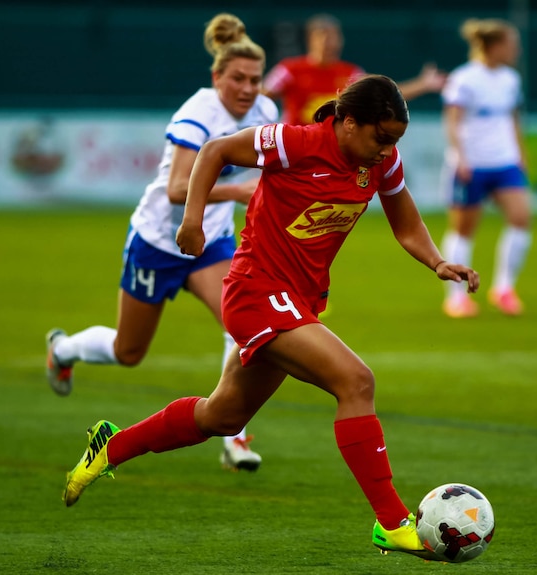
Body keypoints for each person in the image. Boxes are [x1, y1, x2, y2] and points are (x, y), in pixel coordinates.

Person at [59, 74, 479, 559]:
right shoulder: (294, 142)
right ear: (347, 123)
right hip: (256, 291)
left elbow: (407, 223)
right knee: (356, 381)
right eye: (380, 138)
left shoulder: (379, 164)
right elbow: (215, 150)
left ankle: (110, 448)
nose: (386, 150)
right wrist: (192, 221)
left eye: (395, 141)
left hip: (298, 300)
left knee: (223, 414)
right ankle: (391, 522)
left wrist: (437, 261)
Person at [45, 13, 278, 472]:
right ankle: (63, 349)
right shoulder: (198, 112)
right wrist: (237, 192)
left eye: (255, 79)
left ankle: (235, 436)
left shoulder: (265, 112)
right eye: (238, 78)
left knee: (244, 327)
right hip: (158, 240)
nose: (248, 88)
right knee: (128, 352)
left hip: (211, 244)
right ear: (217, 77)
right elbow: (177, 188)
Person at [439, 18, 531, 318]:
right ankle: (456, 298)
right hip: (472, 164)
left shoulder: (510, 80)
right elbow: (452, 121)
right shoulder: (464, 78)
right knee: (464, 230)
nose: (516, 49)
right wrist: (461, 157)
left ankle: (504, 288)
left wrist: (520, 153)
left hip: (504, 161)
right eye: (511, 44)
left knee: (520, 218)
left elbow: (513, 119)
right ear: (495, 45)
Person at [263, 13, 446, 125]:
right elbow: (260, 97)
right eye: (324, 37)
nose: (330, 44)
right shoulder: (289, 69)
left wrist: (423, 84)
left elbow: (383, 93)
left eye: (335, 37)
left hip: (333, 151)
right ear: (311, 39)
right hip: (296, 149)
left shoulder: (349, 73)